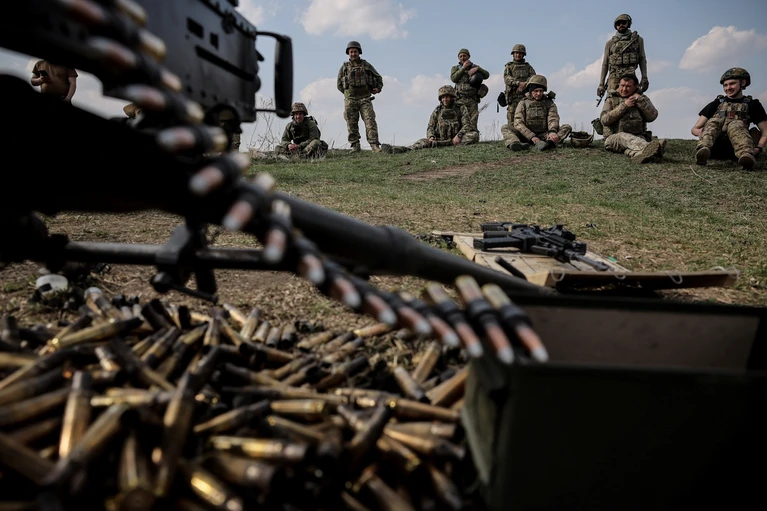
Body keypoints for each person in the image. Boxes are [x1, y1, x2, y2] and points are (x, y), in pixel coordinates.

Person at [692, 68, 767, 171]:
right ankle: (703, 151)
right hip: (715, 146)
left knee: (736, 124)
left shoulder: (753, 105)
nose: (728, 88)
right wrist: (700, 132)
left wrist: (758, 148)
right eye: (725, 85)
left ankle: (746, 157)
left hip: (737, 147)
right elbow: (695, 128)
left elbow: (765, 132)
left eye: (732, 84)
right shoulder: (717, 103)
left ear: (743, 83)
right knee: (714, 121)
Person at [381, 86, 477, 153]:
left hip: (456, 139)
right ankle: (397, 150)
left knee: (474, 135)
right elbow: (430, 126)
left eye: (447, 97)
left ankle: (450, 144)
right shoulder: (437, 110)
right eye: (443, 97)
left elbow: (467, 125)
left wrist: (459, 136)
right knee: (421, 142)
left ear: (452, 97)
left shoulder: (460, 107)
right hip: (439, 140)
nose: (445, 99)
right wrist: (431, 136)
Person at [599, 73, 665, 164]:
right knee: (623, 136)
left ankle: (640, 155)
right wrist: (624, 106)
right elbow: (604, 120)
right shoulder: (611, 99)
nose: (624, 89)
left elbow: (652, 116)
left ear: (635, 87)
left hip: (637, 137)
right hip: (614, 138)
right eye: (622, 85)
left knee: (631, 147)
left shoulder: (642, 98)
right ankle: (653, 148)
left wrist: (641, 102)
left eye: (628, 86)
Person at [501, 75, 571, 151]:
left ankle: (549, 144)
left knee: (566, 127)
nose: (538, 93)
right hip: (525, 136)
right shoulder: (523, 103)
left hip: (545, 135)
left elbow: (553, 118)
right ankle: (515, 144)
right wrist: (531, 136)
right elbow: (518, 123)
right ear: (531, 91)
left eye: (541, 91)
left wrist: (552, 132)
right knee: (505, 127)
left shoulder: (549, 103)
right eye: (536, 91)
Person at [336, 40, 383, 152]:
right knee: (351, 123)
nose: (353, 54)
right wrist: (348, 94)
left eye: (355, 51)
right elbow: (339, 85)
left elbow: (378, 78)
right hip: (350, 100)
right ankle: (355, 146)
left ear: (359, 52)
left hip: (365, 99)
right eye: (351, 52)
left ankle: (374, 145)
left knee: (370, 121)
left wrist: (378, 88)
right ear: (348, 53)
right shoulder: (344, 67)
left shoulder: (366, 65)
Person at [597, 14, 648, 99]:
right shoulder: (610, 43)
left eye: (623, 22)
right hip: (614, 78)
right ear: (615, 26)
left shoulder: (637, 40)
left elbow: (642, 59)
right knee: (611, 101)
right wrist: (601, 84)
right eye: (618, 23)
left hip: (630, 77)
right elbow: (605, 64)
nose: (621, 25)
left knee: (636, 101)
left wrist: (644, 78)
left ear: (628, 24)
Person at [450, 48, 490, 133]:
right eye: (460, 56)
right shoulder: (456, 68)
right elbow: (453, 78)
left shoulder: (474, 66)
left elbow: (487, 75)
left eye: (464, 56)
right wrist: (463, 68)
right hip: (460, 99)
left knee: (473, 121)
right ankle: (460, 138)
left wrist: (478, 69)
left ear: (468, 57)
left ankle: (472, 137)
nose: (462, 58)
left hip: (472, 99)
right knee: (460, 121)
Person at [502, 44, 536, 127]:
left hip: (526, 97)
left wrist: (525, 84)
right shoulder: (509, 67)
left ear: (523, 54)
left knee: (526, 118)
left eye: (520, 53)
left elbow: (534, 78)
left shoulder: (528, 67)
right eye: (516, 53)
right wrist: (518, 83)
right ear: (513, 54)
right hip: (513, 97)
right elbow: (507, 79)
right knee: (512, 120)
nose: (518, 55)